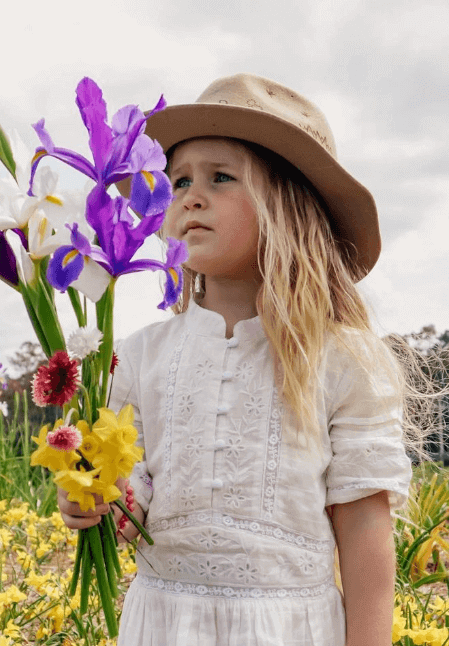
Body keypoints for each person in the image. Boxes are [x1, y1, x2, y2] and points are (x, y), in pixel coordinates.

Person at [58, 73, 416, 646]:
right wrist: (96, 501)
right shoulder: (141, 354)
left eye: (220, 177)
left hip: (288, 629)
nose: (189, 196)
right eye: (178, 181)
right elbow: (134, 503)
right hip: (165, 625)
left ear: (289, 208)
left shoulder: (343, 360)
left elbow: (364, 523)